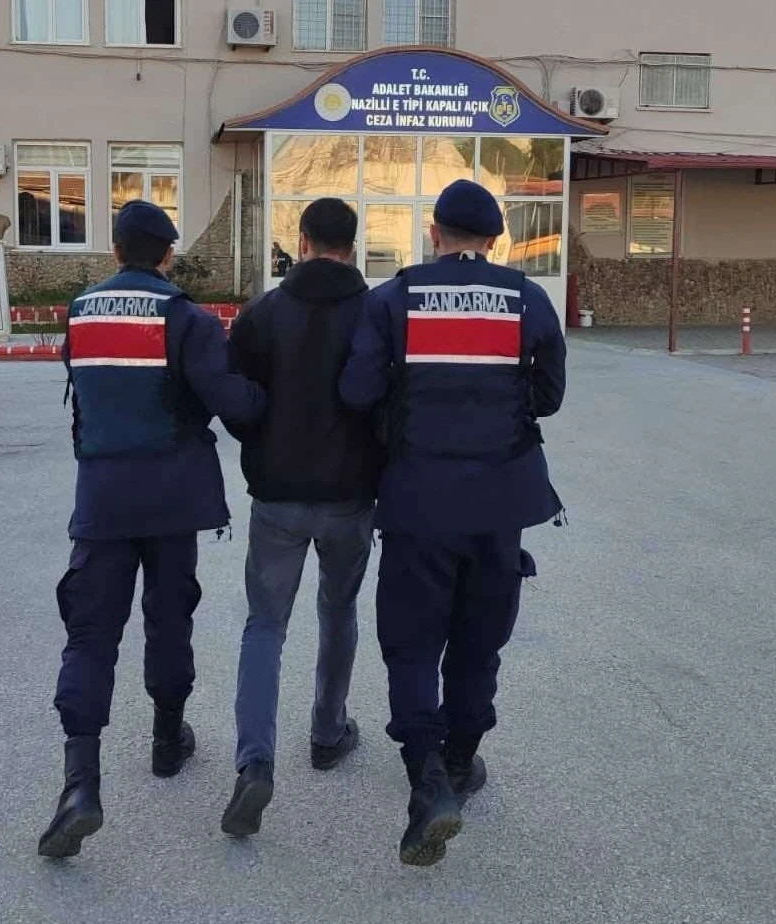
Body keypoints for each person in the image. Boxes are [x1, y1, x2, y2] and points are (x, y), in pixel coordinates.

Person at [339, 179, 567, 867]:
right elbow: (549, 397)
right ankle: (461, 760)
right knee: (478, 640)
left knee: (412, 644)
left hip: (417, 501)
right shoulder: (527, 298)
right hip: (500, 503)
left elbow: (356, 391)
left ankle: (428, 780)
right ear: (495, 241)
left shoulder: (393, 299)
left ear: (433, 234)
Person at [38, 200, 266, 859]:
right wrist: (273, 401)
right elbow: (230, 400)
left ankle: (80, 784)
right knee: (169, 619)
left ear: (115, 251)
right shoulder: (186, 318)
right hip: (172, 499)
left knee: (90, 634)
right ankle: (168, 741)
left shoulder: (82, 312)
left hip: (102, 500)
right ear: (168, 255)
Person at [219, 198, 382, 837]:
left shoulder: (261, 314)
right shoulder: (377, 313)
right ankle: (327, 732)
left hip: (278, 497)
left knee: (265, 625)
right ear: (352, 245)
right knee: (338, 610)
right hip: (350, 495)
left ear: (303, 241)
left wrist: (261, 440)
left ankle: (255, 763)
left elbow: (236, 401)